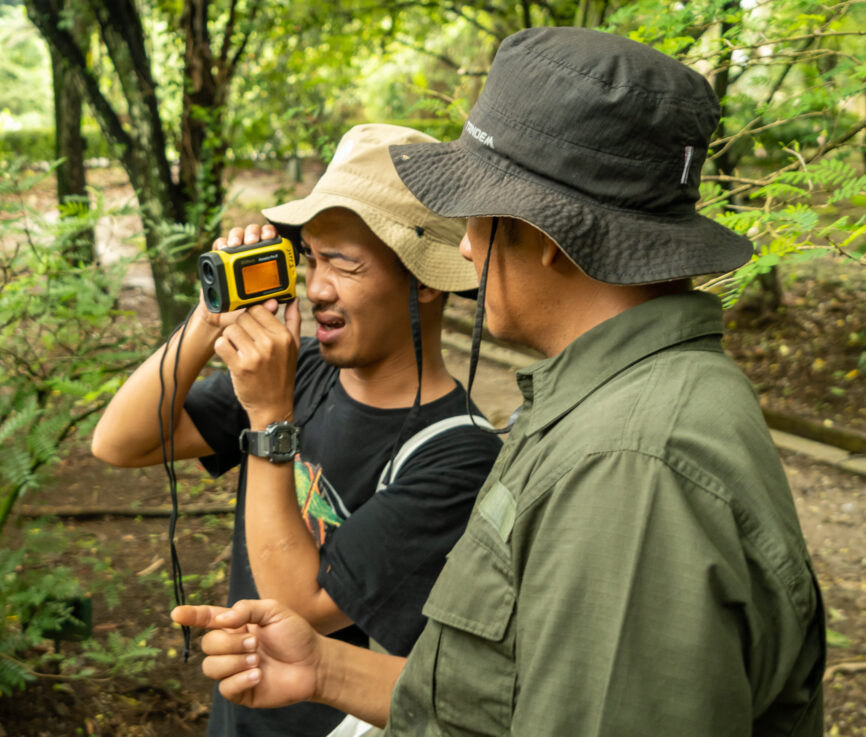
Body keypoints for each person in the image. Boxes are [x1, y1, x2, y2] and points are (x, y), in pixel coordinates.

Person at [172, 26, 826, 737]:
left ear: (547, 235)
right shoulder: (614, 406)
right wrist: (327, 669)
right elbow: (529, 685)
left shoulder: (631, 469)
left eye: (479, 215)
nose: (463, 245)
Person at [92, 123, 503, 737]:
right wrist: (210, 318)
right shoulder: (304, 370)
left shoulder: (459, 454)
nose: (316, 289)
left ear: (423, 282)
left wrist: (268, 419)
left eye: (344, 264)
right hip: (238, 718)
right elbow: (121, 442)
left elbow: (300, 607)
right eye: (311, 259)